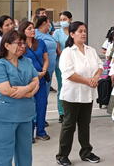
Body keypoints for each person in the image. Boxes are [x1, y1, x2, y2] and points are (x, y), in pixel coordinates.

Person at [0, 30, 39, 166]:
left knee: (25, 156)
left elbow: (36, 81)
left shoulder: (27, 62)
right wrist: (29, 88)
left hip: (26, 116)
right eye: (19, 43)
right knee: (2, 157)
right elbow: (7, 90)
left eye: (24, 43)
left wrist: (26, 89)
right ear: (6, 45)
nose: (23, 46)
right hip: (5, 117)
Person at [56, 21, 103, 166]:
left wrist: (95, 78)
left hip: (87, 94)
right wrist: (88, 81)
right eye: (80, 31)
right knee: (69, 125)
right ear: (72, 34)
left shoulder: (91, 50)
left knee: (85, 124)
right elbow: (68, 73)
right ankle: (62, 155)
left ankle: (86, 152)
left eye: (85, 31)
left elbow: (100, 66)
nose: (83, 33)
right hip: (72, 95)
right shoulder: (68, 52)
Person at [20, 21, 50, 141]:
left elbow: (46, 59)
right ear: (23, 31)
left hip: (41, 79)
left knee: (42, 105)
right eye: (29, 28)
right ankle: (29, 133)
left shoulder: (40, 43)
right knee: (29, 106)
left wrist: (43, 71)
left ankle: (41, 131)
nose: (33, 30)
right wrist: (33, 75)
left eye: (33, 28)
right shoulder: (20, 45)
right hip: (27, 80)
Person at [53, 11, 72, 123]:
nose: (63, 21)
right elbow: (57, 48)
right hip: (61, 62)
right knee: (62, 87)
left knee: (72, 87)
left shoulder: (73, 31)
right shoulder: (57, 33)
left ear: (70, 19)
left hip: (73, 63)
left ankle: (70, 110)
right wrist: (65, 57)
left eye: (65, 19)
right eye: (61, 19)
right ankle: (61, 112)